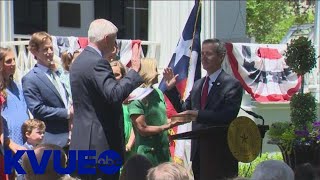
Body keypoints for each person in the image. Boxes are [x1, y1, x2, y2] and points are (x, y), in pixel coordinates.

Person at [69, 19, 143, 180]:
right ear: (107, 39)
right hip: (100, 146)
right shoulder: (97, 63)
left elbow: (95, 98)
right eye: (115, 39)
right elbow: (114, 94)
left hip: (82, 142)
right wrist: (134, 71)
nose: (115, 44)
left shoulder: (79, 61)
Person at [163, 38, 243, 179]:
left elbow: (227, 116)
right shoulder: (199, 84)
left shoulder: (231, 84)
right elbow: (184, 109)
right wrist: (171, 89)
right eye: (203, 53)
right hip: (199, 151)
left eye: (209, 54)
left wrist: (198, 115)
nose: (204, 57)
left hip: (220, 151)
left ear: (221, 56)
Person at [22, 32, 73, 148]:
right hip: (51, 135)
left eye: (51, 48)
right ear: (34, 51)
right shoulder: (30, 78)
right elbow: (37, 109)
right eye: (45, 49)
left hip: (70, 134)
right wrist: (67, 113)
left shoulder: (59, 73)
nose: (50, 52)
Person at [128, 58, 182, 166]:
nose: (158, 73)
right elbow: (142, 129)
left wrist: (180, 119)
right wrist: (167, 126)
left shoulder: (158, 93)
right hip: (148, 155)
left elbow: (160, 118)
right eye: (155, 69)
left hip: (163, 152)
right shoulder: (136, 96)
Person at [0, 47, 30, 149]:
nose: (13, 63)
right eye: (8, 61)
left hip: (24, 140)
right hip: (8, 143)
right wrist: (9, 143)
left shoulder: (18, 86)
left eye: (14, 60)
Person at [111, 60, 136, 160]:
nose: (113, 78)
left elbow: (135, 123)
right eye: (111, 75)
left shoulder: (131, 97)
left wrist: (129, 144)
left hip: (128, 148)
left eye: (116, 75)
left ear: (123, 76)